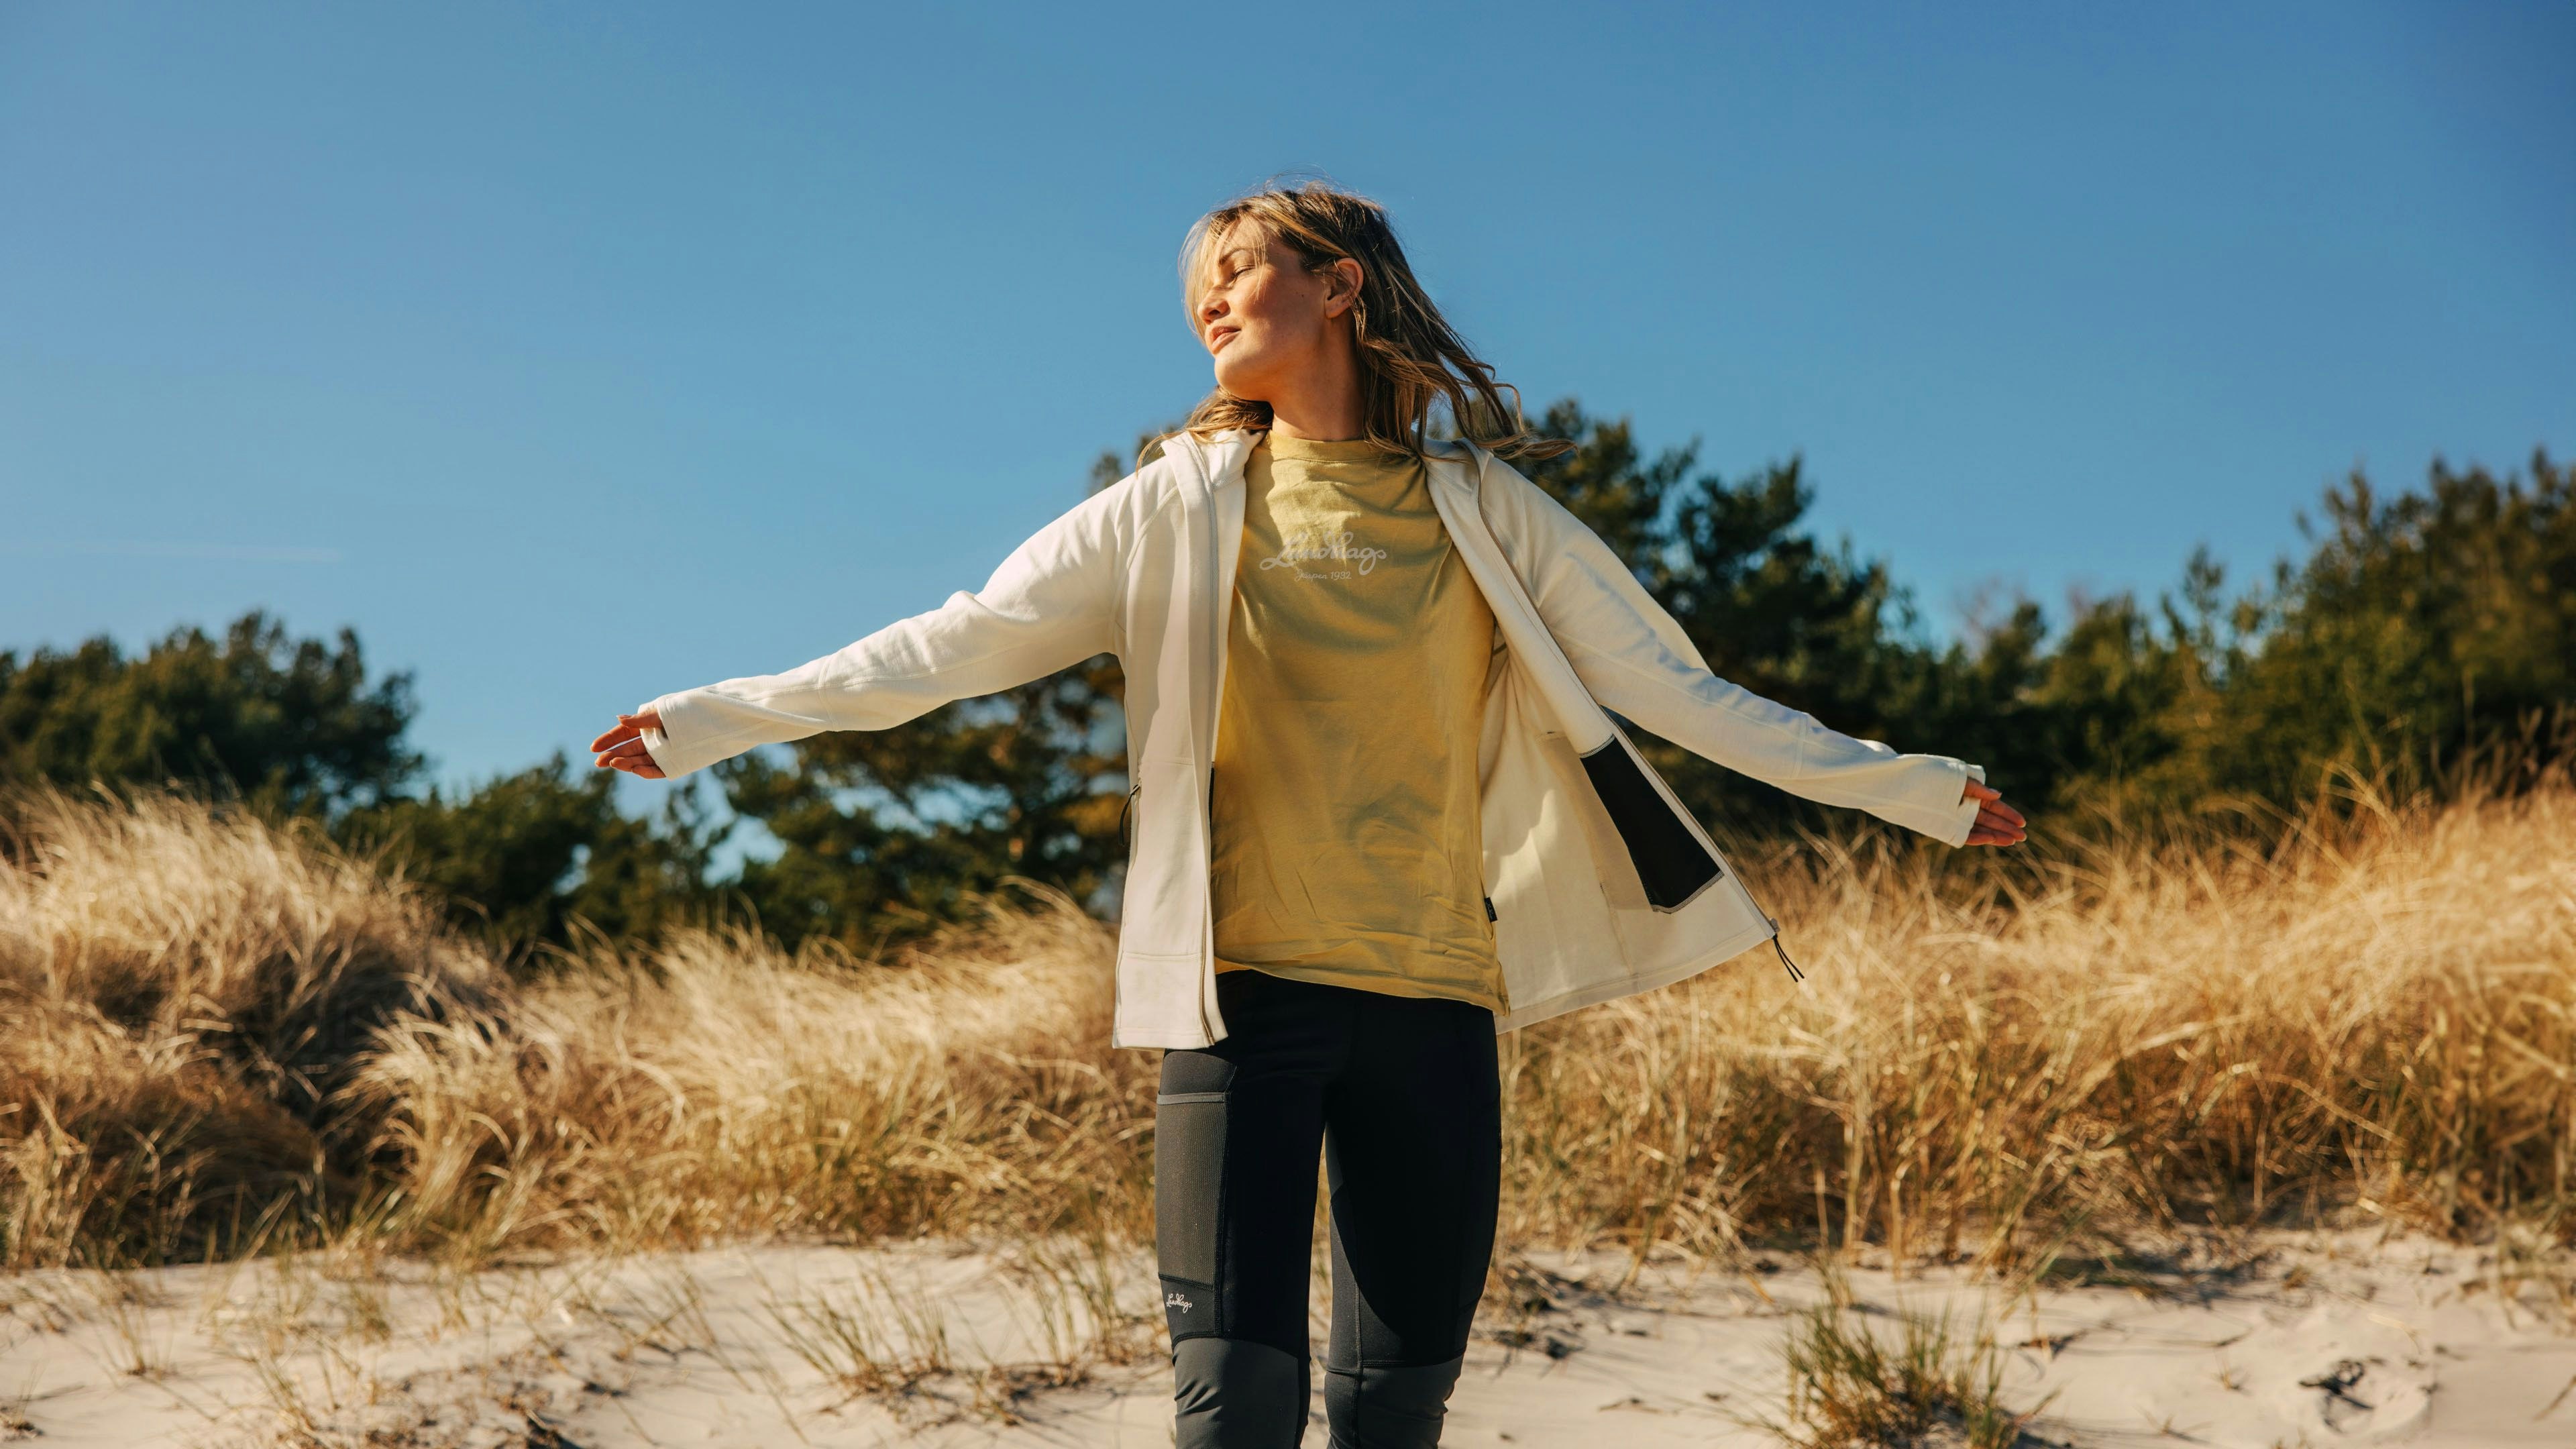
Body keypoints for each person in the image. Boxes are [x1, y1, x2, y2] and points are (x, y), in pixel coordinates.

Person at [591, 180, 2025, 1449]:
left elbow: (1680, 693)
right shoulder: (1176, 505)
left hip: (1435, 1012)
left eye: (1243, 265)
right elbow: (951, 645)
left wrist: (1921, 793)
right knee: (1233, 1414)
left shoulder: (1486, 514)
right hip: (1243, 1005)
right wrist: (715, 719)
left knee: (1394, 1420)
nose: (1211, 296)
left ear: (1342, 283)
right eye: (1196, 281)